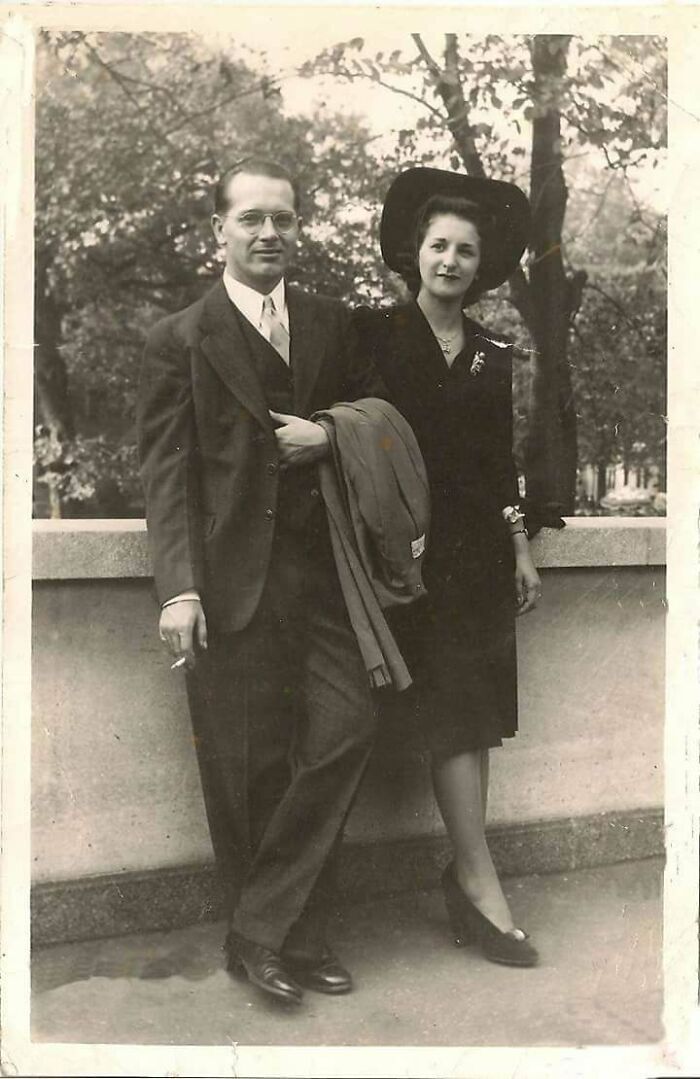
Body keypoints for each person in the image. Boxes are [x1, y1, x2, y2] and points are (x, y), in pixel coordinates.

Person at [138, 158, 386, 1004]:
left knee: (348, 727)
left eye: (282, 218)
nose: (269, 232)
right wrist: (179, 588)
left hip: (328, 579)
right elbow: (166, 471)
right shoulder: (180, 336)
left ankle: (257, 929)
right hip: (227, 581)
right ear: (221, 230)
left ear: (297, 226)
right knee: (246, 768)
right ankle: (295, 937)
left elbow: (377, 419)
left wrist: (325, 433)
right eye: (251, 219)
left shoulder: (332, 324)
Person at [354, 167, 541, 967]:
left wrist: (522, 548)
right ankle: (476, 880)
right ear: (414, 252)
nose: (451, 260)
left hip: (479, 559)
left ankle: (472, 877)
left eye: (466, 249)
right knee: (450, 716)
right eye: (439, 245)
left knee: (475, 719)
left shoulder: (496, 353)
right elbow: (355, 439)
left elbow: (499, 466)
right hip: (407, 558)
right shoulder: (375, 336)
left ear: (480, 262)